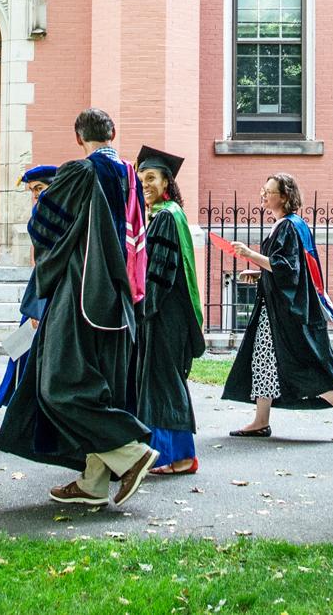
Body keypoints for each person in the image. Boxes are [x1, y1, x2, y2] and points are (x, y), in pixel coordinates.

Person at [0, 108, 158, 507]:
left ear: (78, 137)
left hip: (82, 293)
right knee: (103, 386)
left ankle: (130, 454)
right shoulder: (130, 175)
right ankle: (93, 482)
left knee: (57, 383)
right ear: (113, 133)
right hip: (120, 299)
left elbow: (42, 227)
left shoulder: (80, 172)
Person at [219, 172, 333, 438]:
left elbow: (285, 268)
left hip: (287, 313)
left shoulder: (289, 227)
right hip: (274, 309)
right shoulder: (290, 224)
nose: (263, 194)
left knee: (302, 365)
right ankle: (261, 420)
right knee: (264, 358)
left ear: (285, 196)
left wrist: (249, 254)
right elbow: (295, 269)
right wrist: (258, 272)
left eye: (269, 190)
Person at [136, 147, 203, 475]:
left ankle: (174, 456)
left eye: (151, 178)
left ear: (166, 181)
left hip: (162, 313)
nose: (145, 184)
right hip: (167, 313)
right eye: (141, 178)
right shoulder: (170, 213)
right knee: (166, 380)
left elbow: (159, 272)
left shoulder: (164, 217)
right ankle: (174, 454)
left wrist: (144, 308)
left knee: (164, 381)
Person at [0, 166, 61, 413]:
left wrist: (38, 307)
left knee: (29, 355)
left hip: (46, 293)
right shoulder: (43, 212)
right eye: (32, 191)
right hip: (38, 290)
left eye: (39, 188)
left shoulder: (56, 215)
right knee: (20, 353)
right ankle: (16, 412)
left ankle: (23, 416)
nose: (36, 195)